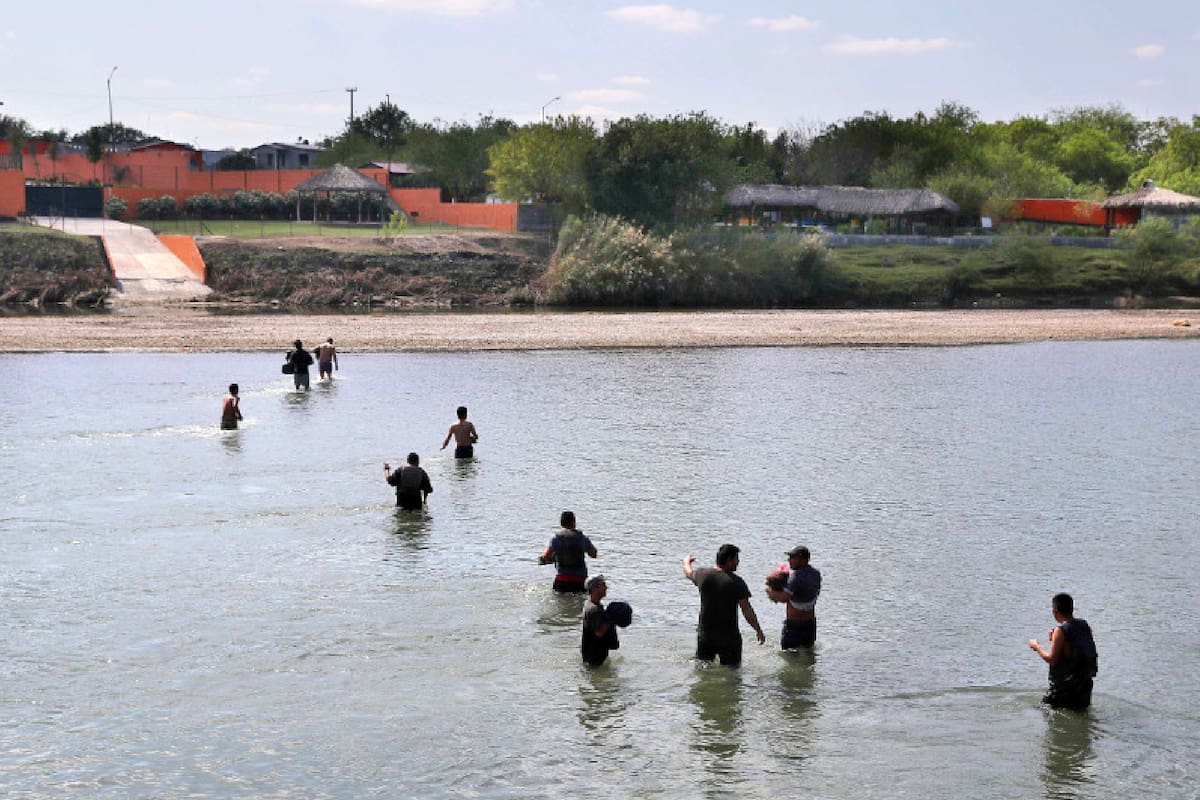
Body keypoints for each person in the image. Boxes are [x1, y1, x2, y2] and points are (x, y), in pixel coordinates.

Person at [683, 544, 765, 667]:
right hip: (729, 639)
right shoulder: (737, 582)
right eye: (736, 559)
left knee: (703, 670)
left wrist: (686, 561)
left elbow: (688, 572)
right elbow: (747, 610)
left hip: (706, 636)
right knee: (732, 675)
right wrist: (758, 630)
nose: (738, 562)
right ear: (728, 560)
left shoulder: (702, 575)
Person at [1029, 593, 1098, 710]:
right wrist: (1055, 640)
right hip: (1084, 687)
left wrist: (1036, 647)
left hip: (1063, 690)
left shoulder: (1060, 631)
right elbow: (1073, 651)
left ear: (1055, 612)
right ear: (1072, 609)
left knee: (1039, 710)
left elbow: (1052, 659)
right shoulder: (1084, 625)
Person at [765, 545, 821, 650]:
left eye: (792, 557)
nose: (789, 560)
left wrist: (769, 590)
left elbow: (783, 598)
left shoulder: (795, 576)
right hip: (810, 624)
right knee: (808, 654)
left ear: (802, 559)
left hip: (794, 625)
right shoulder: (816, 573)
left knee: (789, 655)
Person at [539, 511, 597, 593]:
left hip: (562, 579)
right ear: (574, 522)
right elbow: (594, 554)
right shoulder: (582, 538)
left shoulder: (556, 538)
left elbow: (545, 557)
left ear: (561, 523)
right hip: (580, 580)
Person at [581, 575, 620, 666]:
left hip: (591, 654)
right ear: (595, 588)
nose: (606, 587)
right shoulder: (594, 609)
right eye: (603, 585)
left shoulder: (590, 603)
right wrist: (611, 618)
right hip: (595, 657)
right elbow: (599, 632)